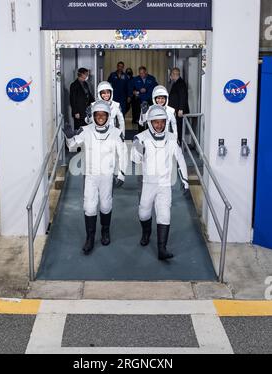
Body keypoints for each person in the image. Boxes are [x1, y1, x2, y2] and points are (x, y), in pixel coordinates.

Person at [63, 101, 128, 255]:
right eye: (97, 115)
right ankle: (90, 238)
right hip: (90, 176)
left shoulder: (115, 132)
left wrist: (122, 173)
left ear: (108, 116)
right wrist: (69, 137)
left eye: (103, 115)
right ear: (93, 116)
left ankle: (105, 232)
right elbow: (73, 146)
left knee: (106, 205)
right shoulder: (85, 130)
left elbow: (123, 153)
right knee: (89, 207)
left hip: (107, 175)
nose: (100, 117)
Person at [131, 105, 189, 260]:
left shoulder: (170, 138)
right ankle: (146, 232)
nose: (159, 125)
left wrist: (185, 180)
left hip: (164, 184)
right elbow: (134, 159)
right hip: (148, 183)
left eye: (162, 122)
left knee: (164, 214)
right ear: (150, 122)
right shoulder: (141, 137)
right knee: (144, 213)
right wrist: (138, 149)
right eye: (156, 122)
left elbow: (180, 159)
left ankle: (162, 249)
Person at [168, 68, 190, 144]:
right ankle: (178, 142)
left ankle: (179, 143)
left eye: (171, 75)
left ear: (174, 74)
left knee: (179, 128)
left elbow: (182, 96)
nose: (170, 76)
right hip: (175, 110)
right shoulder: (176, 83)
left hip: (179, 111)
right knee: (177, 127)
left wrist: (181, 109)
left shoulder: (181, 83)